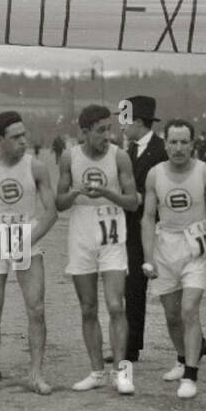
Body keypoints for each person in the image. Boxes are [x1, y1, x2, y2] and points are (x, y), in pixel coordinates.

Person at [0, 111, 58, 394]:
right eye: (16, 137)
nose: (23, 141)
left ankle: (36, 373)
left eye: (24, 135)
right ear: (0, 140)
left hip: (26, 236)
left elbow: (51, 213)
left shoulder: (36, 167)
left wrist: (28, 238)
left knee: (36, 308)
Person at [57, 104, 139, 394]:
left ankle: (122, 372)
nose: (108, 134)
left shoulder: (120, 156)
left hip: (112, 230)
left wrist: (106, 192)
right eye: (101, 130)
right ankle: (96, 372)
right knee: (88, 306)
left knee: (116, 305)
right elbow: (59, 202)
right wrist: (75, 192)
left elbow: (133, 202)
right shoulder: (70, 156)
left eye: (110, 128)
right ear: (85, 132)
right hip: (81, 231)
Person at [140, 120, 206, 399]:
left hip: (195, 245)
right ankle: (181, 356)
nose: (178, 147)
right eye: (173, 142)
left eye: (183, 141)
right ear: (165, 144)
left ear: (192, 143)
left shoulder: (205, 172)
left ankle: (190, 375)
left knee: (189, 309)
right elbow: (149, 218)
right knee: (172, 314)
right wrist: (148, 257)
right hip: (165, 246)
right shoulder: (155, 174)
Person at [121, 95, 167, 364]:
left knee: (170, 288)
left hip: (159, 227)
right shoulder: (129, 151)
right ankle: (131, 346)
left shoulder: (161, 150)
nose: (121, 126)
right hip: (133, 228)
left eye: (124, 121)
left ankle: (198, 342)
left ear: (138, 121)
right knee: (133, 288)